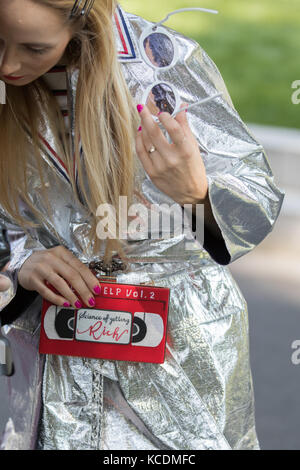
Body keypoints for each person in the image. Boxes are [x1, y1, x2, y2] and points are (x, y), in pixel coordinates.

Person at [0, 0, 284, 450]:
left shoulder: (162, 62)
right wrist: (20, 259)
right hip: (56, 349)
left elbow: (260, 198)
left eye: (35, 48)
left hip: (180, 343)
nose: (8, 64)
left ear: (82, 23)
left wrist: (198, 193)